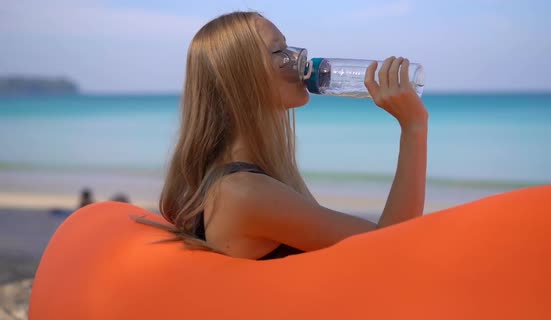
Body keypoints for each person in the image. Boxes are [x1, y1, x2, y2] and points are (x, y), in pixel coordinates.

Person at [134, 11, 429, 260]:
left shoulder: (241, 180)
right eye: (279, 53)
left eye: (290, 48)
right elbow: (391, 249)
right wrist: (414, 126)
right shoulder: (243, 193)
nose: (300, 60)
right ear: (240, 77)